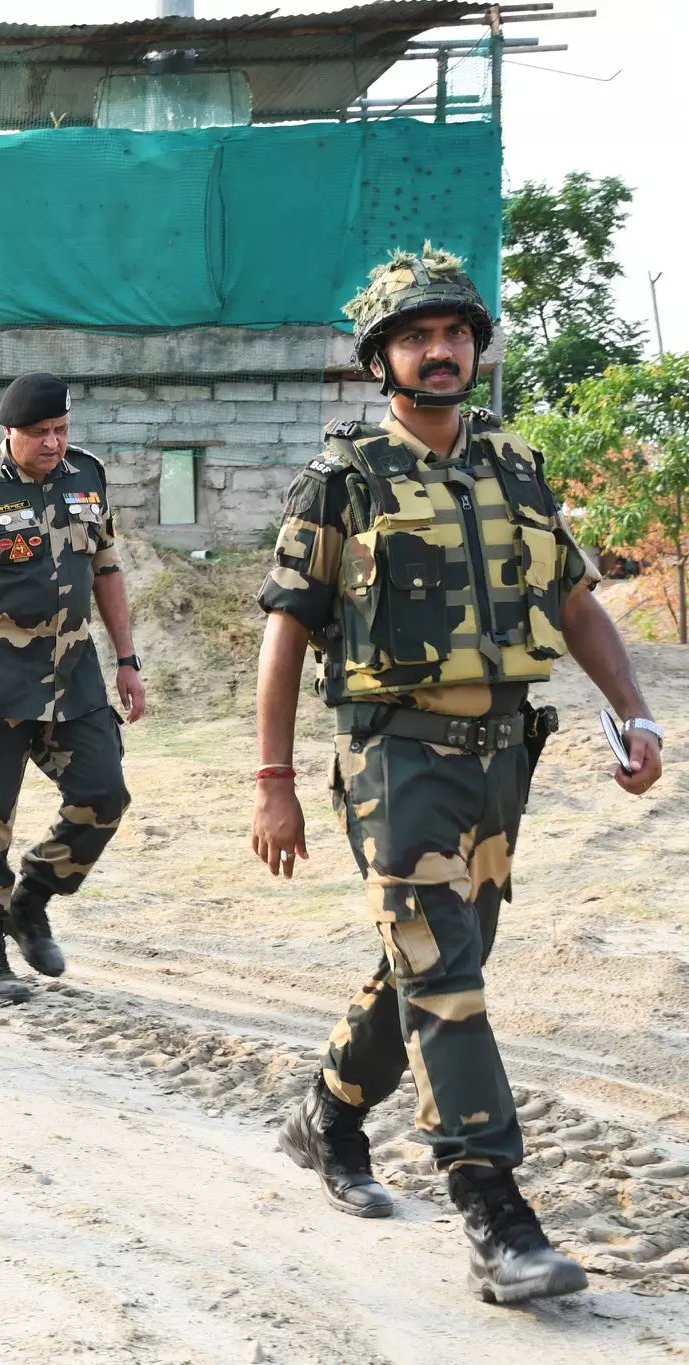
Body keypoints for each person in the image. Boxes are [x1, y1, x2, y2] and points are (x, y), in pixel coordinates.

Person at [253, 248, 665, 1305]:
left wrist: (633, 710)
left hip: (499, 761)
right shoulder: (342, 479)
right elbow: (285, 632)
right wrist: (272, 779)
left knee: (431, 956)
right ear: (379, 359)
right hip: (393, 756)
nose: (438, 352)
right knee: (443, 972)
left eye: (453, 334)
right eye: (415, 337)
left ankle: (328, 1114)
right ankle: (494, 1213)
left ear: (476, 347)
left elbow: (574, 602)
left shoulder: (514, 465)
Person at [0, 372, 145, 1006]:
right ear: (9, 431)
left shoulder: (87, 474)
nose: (53, 443)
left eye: (62, 430)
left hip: (72, 676)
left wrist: (126, 659)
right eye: (41, 432)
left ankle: (33, 896)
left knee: (104, 794)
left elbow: (106, 567)